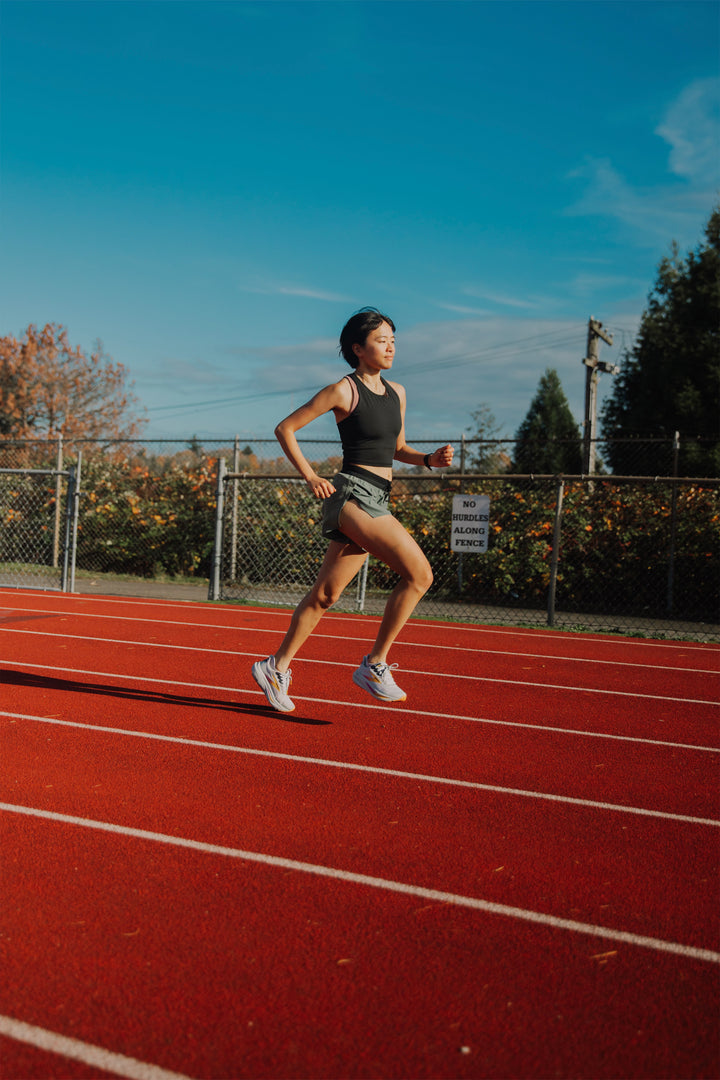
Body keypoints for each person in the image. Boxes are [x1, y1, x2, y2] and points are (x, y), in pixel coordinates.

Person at [252, 307, 454, 713]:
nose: (391, 346)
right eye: (382, 340)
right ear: (358, 348)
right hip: (352, 494)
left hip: (379, 495)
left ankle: (276, 666)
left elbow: (397, 449)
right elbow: (285, 428)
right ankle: (374, 664)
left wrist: (429, 460)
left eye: (394, 340)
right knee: (420, 574)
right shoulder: (343, 390)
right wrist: (310, 476)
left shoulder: (398, 392)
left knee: (326, 595)